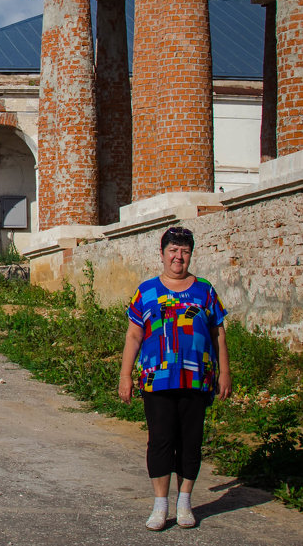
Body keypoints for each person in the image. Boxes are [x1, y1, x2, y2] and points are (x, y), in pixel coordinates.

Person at [118, 226, 231, 530]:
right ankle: (160, 505)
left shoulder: (204, 290)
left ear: (190, 254)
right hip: (157, 379)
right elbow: (133, 335)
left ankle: (184, 502)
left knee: (191, 441)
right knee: (160, 441)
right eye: (173, 250)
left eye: (184, 251)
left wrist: (225, 372)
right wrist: (125, 375)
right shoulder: (147, 291)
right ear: (163, 253)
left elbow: (218, 333)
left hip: (197, 378)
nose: (178, 257)